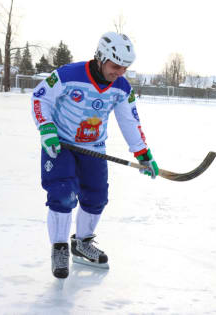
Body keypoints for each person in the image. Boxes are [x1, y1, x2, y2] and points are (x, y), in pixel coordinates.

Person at [31, 32, 159, 279]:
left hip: (94, 148)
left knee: (97, 198)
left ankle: (81, 243)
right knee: (63, 194)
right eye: (115, 66)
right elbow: (40, 97)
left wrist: (143, 153)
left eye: (125, 67)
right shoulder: (69, 75)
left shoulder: (121, 87)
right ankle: (59, 248)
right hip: (60, 144)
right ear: (101, 58)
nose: (120, 72)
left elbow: (129, 121)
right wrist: (46, 128)